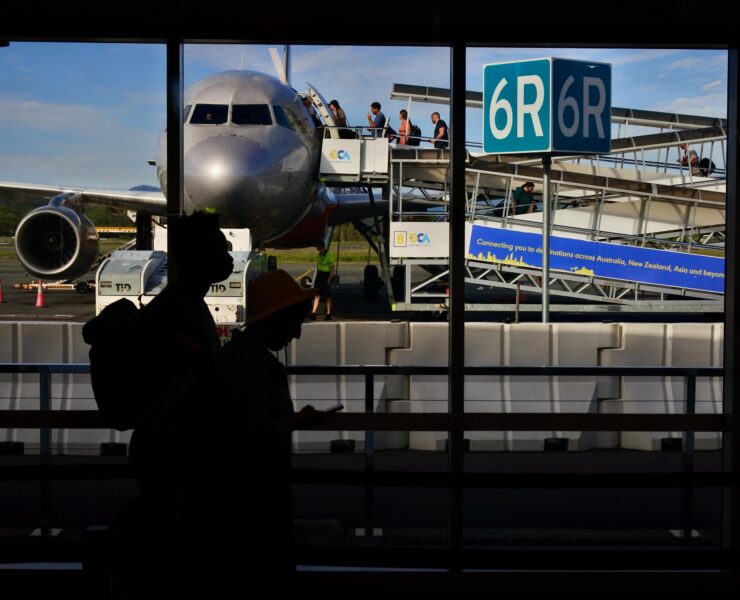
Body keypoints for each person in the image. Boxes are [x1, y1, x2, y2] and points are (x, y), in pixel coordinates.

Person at [214, 270, 327, 585]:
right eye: (295, 323)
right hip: (253, 500)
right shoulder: (248, 368)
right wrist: (293, 423)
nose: (296, 334)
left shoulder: (240, 360)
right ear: (277, 320)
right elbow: (246, 439)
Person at [309, 239, 336, 320]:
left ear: (321, 246)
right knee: (317, 295)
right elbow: (318, 267)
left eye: (317, 246)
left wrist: (329, 279)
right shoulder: (319, 255)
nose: (316, 247)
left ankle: (328, 314)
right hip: (320, 276)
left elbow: (332, 269)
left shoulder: (329, 255)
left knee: (328, 296)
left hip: (326, 276)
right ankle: (313, 313)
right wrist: (316, 278)